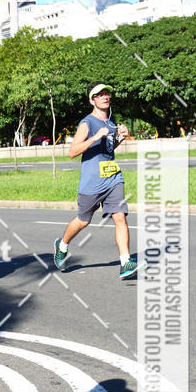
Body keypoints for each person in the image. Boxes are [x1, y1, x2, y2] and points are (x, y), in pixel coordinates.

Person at [53, 83, 138, 280]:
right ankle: (62, 245)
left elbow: (108, 149)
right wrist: (94, 137)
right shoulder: (87, 123)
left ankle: (125, 262)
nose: (104, 97)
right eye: (99, 95)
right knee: (84, 220)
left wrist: (121, 138)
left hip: (112, 178)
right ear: (92, 100)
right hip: (92, 182)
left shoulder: (111, 121)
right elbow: (72, 152)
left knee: (120, 216)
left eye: (107, 93)